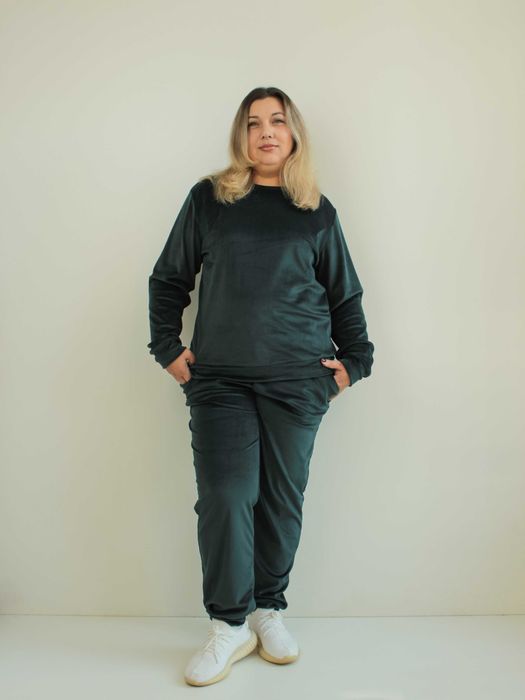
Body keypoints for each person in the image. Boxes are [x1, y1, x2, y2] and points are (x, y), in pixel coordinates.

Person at [147, 86, 375, 687]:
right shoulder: (210, 199)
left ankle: (267, 610)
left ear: (294, 133)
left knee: (280, 500)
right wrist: (167, 348)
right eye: (253, 123)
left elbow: (344, 294)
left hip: (298, 382)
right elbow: (169, 278)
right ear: (241, 135)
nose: (266, 132)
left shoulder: (316, 211)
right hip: (219, 381)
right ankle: (228, 624)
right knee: (226, 496)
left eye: (277, 121)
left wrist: (355, 361)